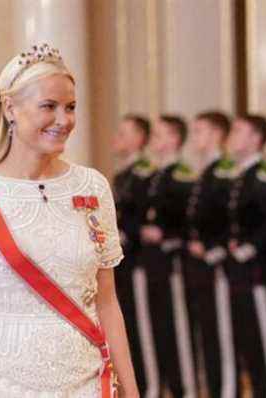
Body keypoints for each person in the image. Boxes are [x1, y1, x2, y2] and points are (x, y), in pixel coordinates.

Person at [0, 43, 139, 397]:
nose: (64, 120)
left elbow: (107, 301)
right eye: (49, 106)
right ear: (10, 108)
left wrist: (131, 391)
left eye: (71, 107)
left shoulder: (93, 186)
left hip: (87, 383)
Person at [223, 115, 266, 397]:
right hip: (238, 275)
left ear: (256, 139)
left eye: (238, 131)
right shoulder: (240, 175)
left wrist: (250, 248)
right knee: (247, 344)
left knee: (265, 347)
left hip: (258, 273)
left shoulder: (264, 174)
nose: (232, 136)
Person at [137, 114, 195, 397]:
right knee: (156, 327)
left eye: (160, 135)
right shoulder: (155, 176)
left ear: (174, 139)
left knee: (176, 328)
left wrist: (168, 236)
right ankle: (159, 385)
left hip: (172, 262)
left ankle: (183, 388)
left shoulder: (182, 175)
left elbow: (190, 222)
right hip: (152, 263)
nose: (153, 141)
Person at [182, 110, 232, 397]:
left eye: (200, 131)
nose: (195, 138)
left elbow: (230, 219)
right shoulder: (206, 171)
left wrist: (213, 249)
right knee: (206, 335)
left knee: (220, 338)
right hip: (198, 266)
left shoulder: (224, 171)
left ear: (215, 134)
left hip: (216, 266)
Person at [111, 114, 151, 394]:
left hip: (138, 260)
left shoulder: (144, 173)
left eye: (125, 133)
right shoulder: (123, 174)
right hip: (122, 261)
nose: (118, 138)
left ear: (139, 138)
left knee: (142, 328)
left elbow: (144, 219)